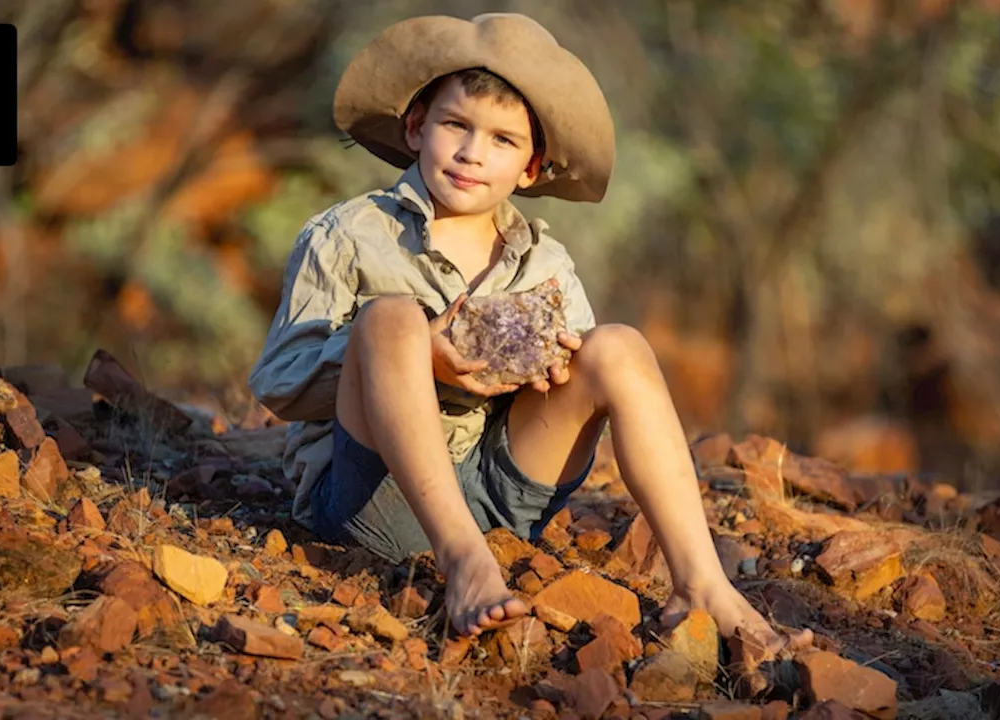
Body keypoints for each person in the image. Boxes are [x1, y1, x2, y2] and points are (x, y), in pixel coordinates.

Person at [248, 12, 813, 658]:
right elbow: (279, 380)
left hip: (500, 493)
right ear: (415, 128)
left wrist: (545, 372)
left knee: (616, 346)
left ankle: (702, 584)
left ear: (531, 167)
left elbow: (579, 377)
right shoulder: (347, 234)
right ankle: (463, 562)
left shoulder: (545, 263)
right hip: (378, 497)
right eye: (455, 126)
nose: (471, 153)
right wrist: (410, 357)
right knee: (393, 320)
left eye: (501, 140)